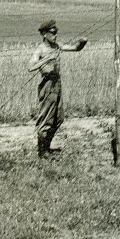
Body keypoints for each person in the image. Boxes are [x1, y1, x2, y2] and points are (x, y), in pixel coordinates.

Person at [28, 20, 87, 158]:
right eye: (53, 33)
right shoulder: (41, 49)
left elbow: (75, 48)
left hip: (57, 83)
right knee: (45, 118)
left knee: (58, 118)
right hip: (47, 84)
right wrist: (46, 59)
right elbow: (30, 66)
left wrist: (82, 42)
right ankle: (42, 151)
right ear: (44, 34)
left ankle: (47, 147)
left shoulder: (57, 46)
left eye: (56, 32)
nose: (56, 35)